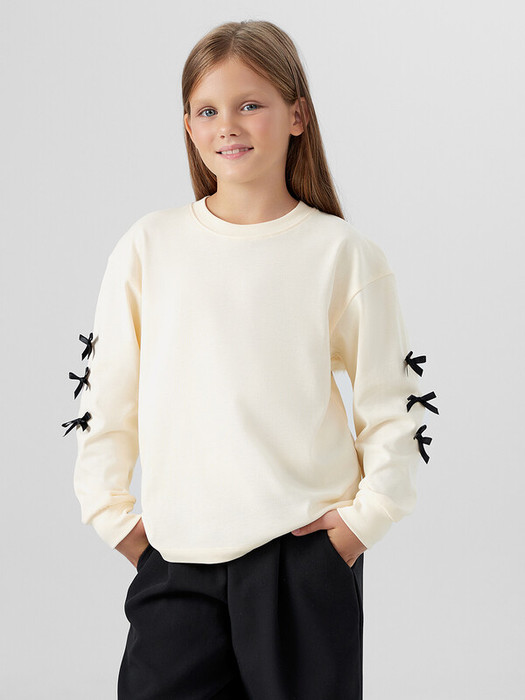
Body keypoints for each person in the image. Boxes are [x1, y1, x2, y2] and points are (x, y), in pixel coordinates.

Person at [62, 19, 439, 700]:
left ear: (297, 116)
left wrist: (362, 524)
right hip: (175, 562)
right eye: (207, 110)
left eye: (249, 104)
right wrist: (114, 516)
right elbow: (108, 396)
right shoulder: (149, 247)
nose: (227, 126)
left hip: (302, 563)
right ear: (187, 126)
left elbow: (393, 404)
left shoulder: (342, 254)